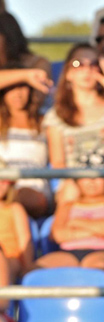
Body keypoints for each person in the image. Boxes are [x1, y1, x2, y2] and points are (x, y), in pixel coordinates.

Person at [43, 43, 104, 200]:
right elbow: (58, 163)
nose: (87, 70)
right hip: (73, 187)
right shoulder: (55, 116)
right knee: (69, 194)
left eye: (94, 64)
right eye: (78, 64)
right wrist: (81, 185)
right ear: (68, 73)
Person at [36, 176, 104, 276]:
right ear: (77, 182)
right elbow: (58, 235)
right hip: (68, 253)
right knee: (37, 270)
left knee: (97, 268)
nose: (91, 181)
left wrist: (76, 222)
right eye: (85, 177)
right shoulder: (67, 206)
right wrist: (97, 231)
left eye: (98, 177)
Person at [0, 78, 52, 218]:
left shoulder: (45, 121)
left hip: (34, 188)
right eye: (11, 88)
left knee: (20, 199)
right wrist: (25, 75)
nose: (18, 94)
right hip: (3, 185)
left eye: (22, 87)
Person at [0, 161, 34, 322]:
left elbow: (24, 244)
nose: (1, 184)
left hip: (10, 262)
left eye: (5, 180)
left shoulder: (13, 209)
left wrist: (27, 269)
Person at [0, 11, 52, 113]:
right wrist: (24, 76)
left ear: (8, 37)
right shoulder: (29, 72)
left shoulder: (38, 63)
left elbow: (37, 99)